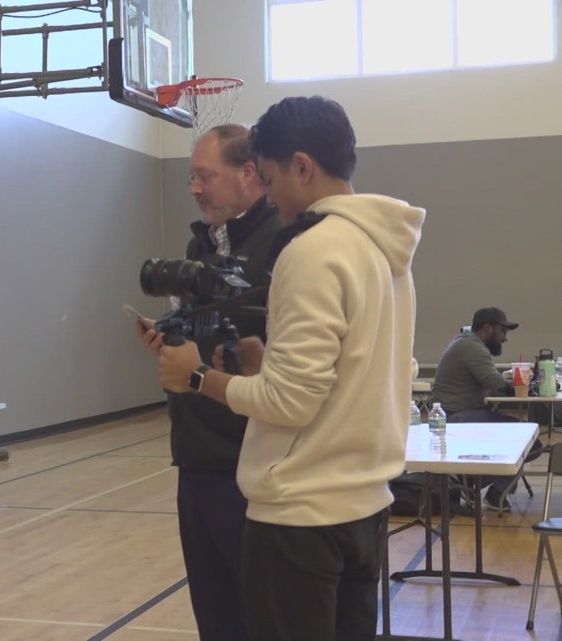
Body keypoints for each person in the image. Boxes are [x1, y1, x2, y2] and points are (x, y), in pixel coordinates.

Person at [157, 96, 425, 641]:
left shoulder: (311, 249)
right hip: (363, 507)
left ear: (302, 167)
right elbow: (367, 376)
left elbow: (289, 403)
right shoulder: (387, 254)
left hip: (302, 519)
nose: (271, 191)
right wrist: (267, 363)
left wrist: (195, 378)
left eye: (274, 175)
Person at [133, 123, 282, 641]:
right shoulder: (199, 247)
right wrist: (172, 345)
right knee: (215, 618)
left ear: (249, 174)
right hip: (195, 457)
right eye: (190, 178)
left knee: (264, 615)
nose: (195, 188)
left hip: (255, 465)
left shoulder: (284, 244)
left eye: (205, 176)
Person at [430, 307, 537, 512]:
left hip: (457, 414)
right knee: (529, 438)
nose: (505, 338)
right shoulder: (472, 347)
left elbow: (488, 381)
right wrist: (525, 384)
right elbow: (496, 384)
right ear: (487, 328)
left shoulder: (464, 342)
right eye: (502, 331)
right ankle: (491, 491)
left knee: (521, 436)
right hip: (457, 418)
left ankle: (468, 480)